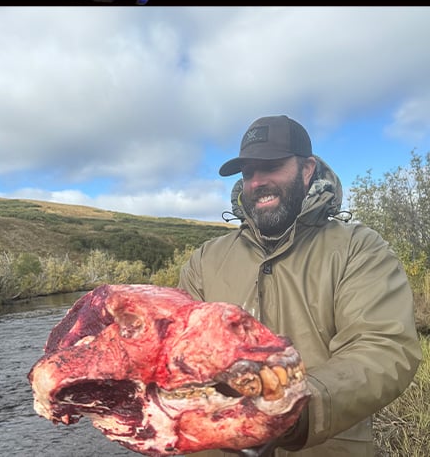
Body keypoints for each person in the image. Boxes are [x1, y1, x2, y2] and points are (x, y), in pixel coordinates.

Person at [180, 115, 421, 456]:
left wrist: (293, 408)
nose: (257, 181)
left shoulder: (358, 248)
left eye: (271, 166)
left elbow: (383, 347)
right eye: (248, 172)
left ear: (307, 169)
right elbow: (178, 352)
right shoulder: (205, 260)